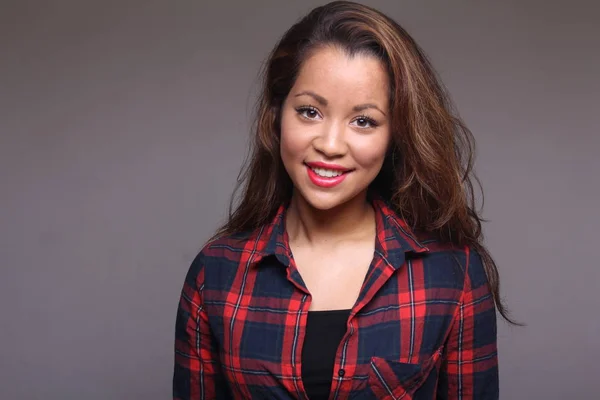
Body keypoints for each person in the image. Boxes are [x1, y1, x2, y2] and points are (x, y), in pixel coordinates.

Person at [174, 1, 513, 398]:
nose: (330, 145)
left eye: (363, 121)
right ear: (277, 115)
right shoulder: (215, 274)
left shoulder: (452, 274)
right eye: (309, 111)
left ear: (395, 136)